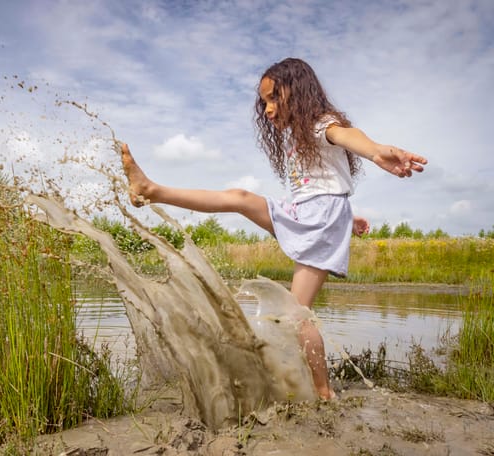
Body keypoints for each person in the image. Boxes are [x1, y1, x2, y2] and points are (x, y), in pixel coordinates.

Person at [120, 57, 427, 400]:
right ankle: (152, 191)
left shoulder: (319, 124)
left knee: (295, 314)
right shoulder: (297, 135)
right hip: (308, 213)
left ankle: (323, 393)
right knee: (239, 197)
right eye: (263, 101)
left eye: (273, 98)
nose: (267, 109)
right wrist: (346, 219)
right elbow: (324, 183)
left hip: (319, 218)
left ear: (297, 94)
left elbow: (347, 136)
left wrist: (374, 152)